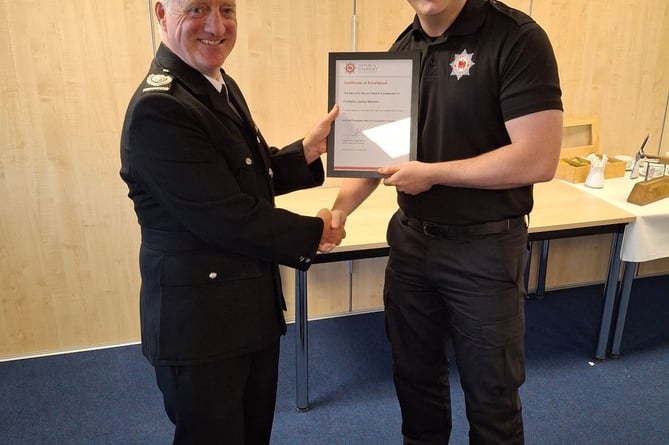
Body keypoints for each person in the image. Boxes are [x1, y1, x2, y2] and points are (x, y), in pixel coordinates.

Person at [330, 0, 563, 443]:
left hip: (485, 252)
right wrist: (340, 210)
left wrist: (434, 174)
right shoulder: (403, 48)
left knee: (492, 395)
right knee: (414, 380)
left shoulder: (516, 38)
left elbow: (538, 157)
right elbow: (378, 152)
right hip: (411, 246)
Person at [119, 1, 343, 443]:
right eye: (198, 8)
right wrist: (314, 232)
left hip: (246, 308)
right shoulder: (159, 110)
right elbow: (226, 216)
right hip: (202, 328)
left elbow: (242, 175)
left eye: (226, 8)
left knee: (251, 432)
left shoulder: (214, 83)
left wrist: (306, 152)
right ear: (162, 14)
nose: (216, 26)